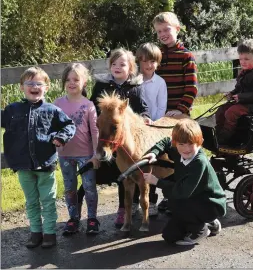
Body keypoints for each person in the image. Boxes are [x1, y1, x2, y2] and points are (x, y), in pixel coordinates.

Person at [1, 67, 76, 249]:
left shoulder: (52, 110)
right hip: (23, 166)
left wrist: (61, 137)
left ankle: (49, 233)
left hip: (46, 165)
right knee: (31, 201)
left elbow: (69, 125)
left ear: (47, 88)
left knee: (48, 201)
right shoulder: (12, 110)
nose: (34, 86)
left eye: (39, 83)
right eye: (30, 83)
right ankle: (35, 232)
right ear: (21, 87)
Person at [77, 48, 151, 228]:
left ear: (131, 67)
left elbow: (142, 107)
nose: (117, 67)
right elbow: (93, 108)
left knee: (125, 172)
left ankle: (122, 209)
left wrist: (146, 116)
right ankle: (79, 207)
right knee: (98, 170)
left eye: (122, 64)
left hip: (125, 140)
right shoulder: (102, 86)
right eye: (114, 64)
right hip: (105, 136)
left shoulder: (135, 87)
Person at [143, 118, 226, 246]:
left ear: (200, 142)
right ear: (176, 143)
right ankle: (208, 222)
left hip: (210, 203)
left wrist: (156, 181)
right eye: (181, 144)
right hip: (193, 198)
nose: (186, 149)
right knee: (170, 236)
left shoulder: (199, 162)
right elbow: (166, 141)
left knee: (175, 201)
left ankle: (201, 229)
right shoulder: (179, 150)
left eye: (190, 144)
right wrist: (154, 152)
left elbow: (182, 192)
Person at [152, 11, 198, 211]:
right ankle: (162, 194)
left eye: (167, 29)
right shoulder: (158, 56)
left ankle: (180, 194)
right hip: (159, 113)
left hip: (179, 114)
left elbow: (192, 88)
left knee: (179, 154)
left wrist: (180, 109)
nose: (163, 34)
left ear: (177, 29)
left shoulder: (186, 56)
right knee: (159, 156)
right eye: (159, 31)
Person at [54, 63, 100, 235]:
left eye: (76, 79)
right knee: (69, 188)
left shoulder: (88, 105)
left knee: (89, 187)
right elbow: (52, 128)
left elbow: (95, 131)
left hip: (86, 155)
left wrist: (96, 154)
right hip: (65, 155)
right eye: (68, 79)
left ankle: (92, 218)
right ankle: (73, 218)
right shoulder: (57, 104)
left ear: (84, 83)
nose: (71, 83)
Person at [215, 39, 253, 144]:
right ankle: (217, 133)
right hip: (245, 103)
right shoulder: (245, 72)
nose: (242, 62)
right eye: (241, 59)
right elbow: (239, 87)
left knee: (231, 113)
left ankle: (226, 138)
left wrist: (241, 97)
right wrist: (232, 93)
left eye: (246, 59)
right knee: (221, 110)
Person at [136, 42, 167, 216]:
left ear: (158, 62)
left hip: (153, 127)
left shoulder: (160, 83)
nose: (149, 65)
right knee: (136, 165)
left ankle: (152, 200)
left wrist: (154, 124)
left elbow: (161, 106)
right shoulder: (135, 81)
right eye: (145, 61)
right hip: (137, 129)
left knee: (153, 165)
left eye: (153, 61)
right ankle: (134, 201)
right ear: (139, 61)